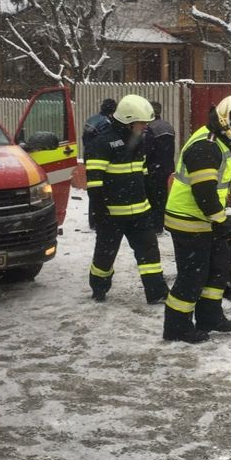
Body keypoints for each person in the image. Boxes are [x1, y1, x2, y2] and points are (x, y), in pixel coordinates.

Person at [161, 94, 231, 343]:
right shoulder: (206, 145)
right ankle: (177, 326)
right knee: (192, 276)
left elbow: (218, 174)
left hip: (203, 219)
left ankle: (210, 317)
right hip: (189, 220)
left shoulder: (217, 143)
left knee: (218, 268)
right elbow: (204, 192)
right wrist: (221, 221)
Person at [85, 94, 169, 304]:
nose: (145, 127)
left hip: (140, 212)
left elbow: (141, 174)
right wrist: (100, 211)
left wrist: (153, 201)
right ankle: (99, 288)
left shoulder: (137, 140)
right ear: (128, 120)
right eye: (141, 123)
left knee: (150, 255)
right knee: (105, 256)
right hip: (112, 215)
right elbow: (94, 184)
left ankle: (157, 292)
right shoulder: (102, 143)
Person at [143, 101, 176, 234]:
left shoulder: (149, 128)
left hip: (153, 169)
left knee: (151, 197)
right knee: (162, 196)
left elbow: (147, 149)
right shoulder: (168, 126)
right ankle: (160, 223)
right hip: (166, 167)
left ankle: (154, 225)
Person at [84, 98, 116, 229]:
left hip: (89, 156)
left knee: (93, 189)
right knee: (101, 191)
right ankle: (99, 219)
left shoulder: (92, 119)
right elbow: (106, 141)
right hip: (100, 158)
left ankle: (93, 219)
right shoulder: (107, 122)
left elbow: (86, 138)